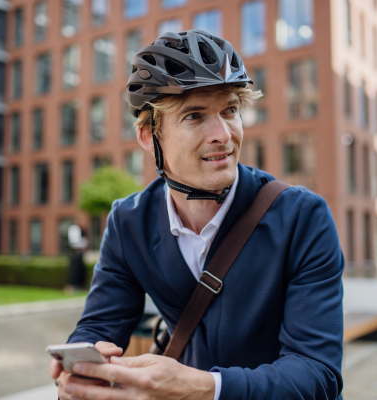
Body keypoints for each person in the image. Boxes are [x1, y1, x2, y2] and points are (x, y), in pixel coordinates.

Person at [50, 30, 344, 400]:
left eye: (230, 111)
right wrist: (80, 367)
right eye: (194, 116)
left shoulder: (303, 217)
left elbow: (317, 375)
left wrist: (207, 388)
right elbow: (100, 324)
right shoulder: (128, 222)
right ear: (147, 135)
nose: (223, 134)